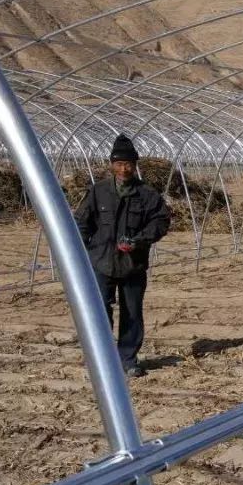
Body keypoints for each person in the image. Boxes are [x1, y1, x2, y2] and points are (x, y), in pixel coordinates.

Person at [74, 134, 170, 378]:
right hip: (102, 262)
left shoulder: (147, 195)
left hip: (133, 264)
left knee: (132, 310)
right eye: (119, 163)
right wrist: (83, 252)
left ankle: (127, 359)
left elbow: (160, 222)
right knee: (99, 310)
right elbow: (82, 222)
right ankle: (102, 360)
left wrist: (139, 240)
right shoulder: (99, 192)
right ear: (111, 165)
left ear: (135, 166)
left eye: (128, 164)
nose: (124, 168)